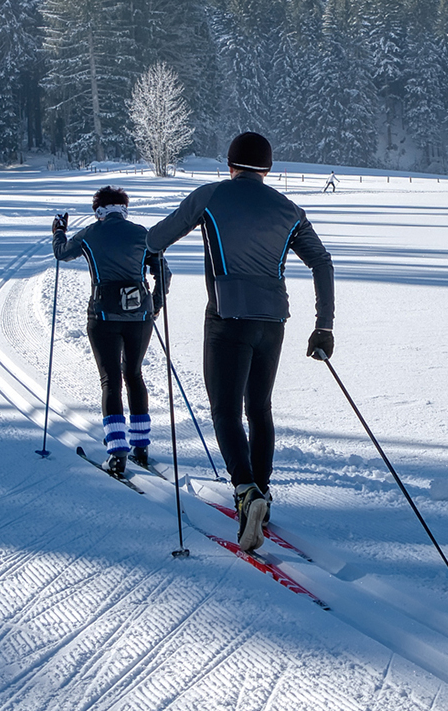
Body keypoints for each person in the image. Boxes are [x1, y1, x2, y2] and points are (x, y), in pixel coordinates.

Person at [147, 131, 334, 551]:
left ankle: (245, 491)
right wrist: (324, 325)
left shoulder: (210, 196)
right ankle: (261, 495)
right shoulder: (290, 210)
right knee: (259, 408)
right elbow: (322, 261)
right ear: (267, 169)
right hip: (273, 321)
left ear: (230, 164)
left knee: (226, 411)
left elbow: (155, 240)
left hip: (227, 319)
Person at [53, 186, 170, 478]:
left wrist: (58, 231)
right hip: (140, 317)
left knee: (110, 381)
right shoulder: (143, 234)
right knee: (134, 374)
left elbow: (61, 254)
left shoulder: (90, 234)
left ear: (99, 211)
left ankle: (117, 453)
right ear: (124, 209)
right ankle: (141, 446)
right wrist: (154, 305)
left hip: (103, 316)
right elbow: (164, 272)